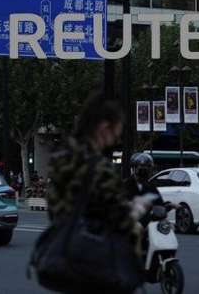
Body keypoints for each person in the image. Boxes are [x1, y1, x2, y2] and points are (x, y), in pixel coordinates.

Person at [47, 92, 148, 291]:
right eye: (117, 129)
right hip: (96, 258)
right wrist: (136, 209)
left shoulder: (61, 159)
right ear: (103, 127)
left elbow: (56, 209)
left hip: (66, 253)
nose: (118, 136)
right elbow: (120, 219)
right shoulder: (99, 168)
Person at [124, 152, 164, 227]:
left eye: (147, 167)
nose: (144, 171)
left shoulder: (150, 186)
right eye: (141, 168)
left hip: (148, 224)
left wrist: (170, 205)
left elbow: (159, 202)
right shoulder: (126, 185)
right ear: (134, 168)